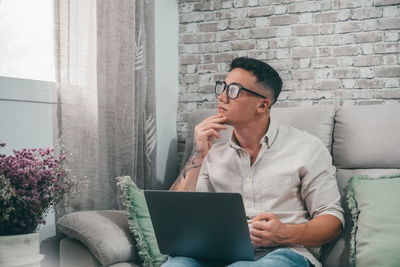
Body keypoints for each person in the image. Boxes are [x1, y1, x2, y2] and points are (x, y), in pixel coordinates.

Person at [165, 57, 344, 267]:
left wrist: (284, 233)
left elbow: (333, 222)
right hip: (218, 253)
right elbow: (175, 220)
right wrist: (198, 153)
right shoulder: (211, 153)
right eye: (222, 87)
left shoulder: (307, 148)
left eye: (234, 90)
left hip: (284, 253)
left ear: (262, 104)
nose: (222, 97)